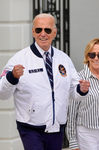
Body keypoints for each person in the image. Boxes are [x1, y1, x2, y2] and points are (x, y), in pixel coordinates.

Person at [0, 13, 90, 150]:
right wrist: (12, 77)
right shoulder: (19, 59)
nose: (43, 34)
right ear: (33, 32)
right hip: (30, 128)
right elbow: (2, 93)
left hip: (56, 127)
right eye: (38, 30)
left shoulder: (64, 59)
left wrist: (81, 90)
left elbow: (73, 91)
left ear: (54, 32)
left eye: (47, 30)